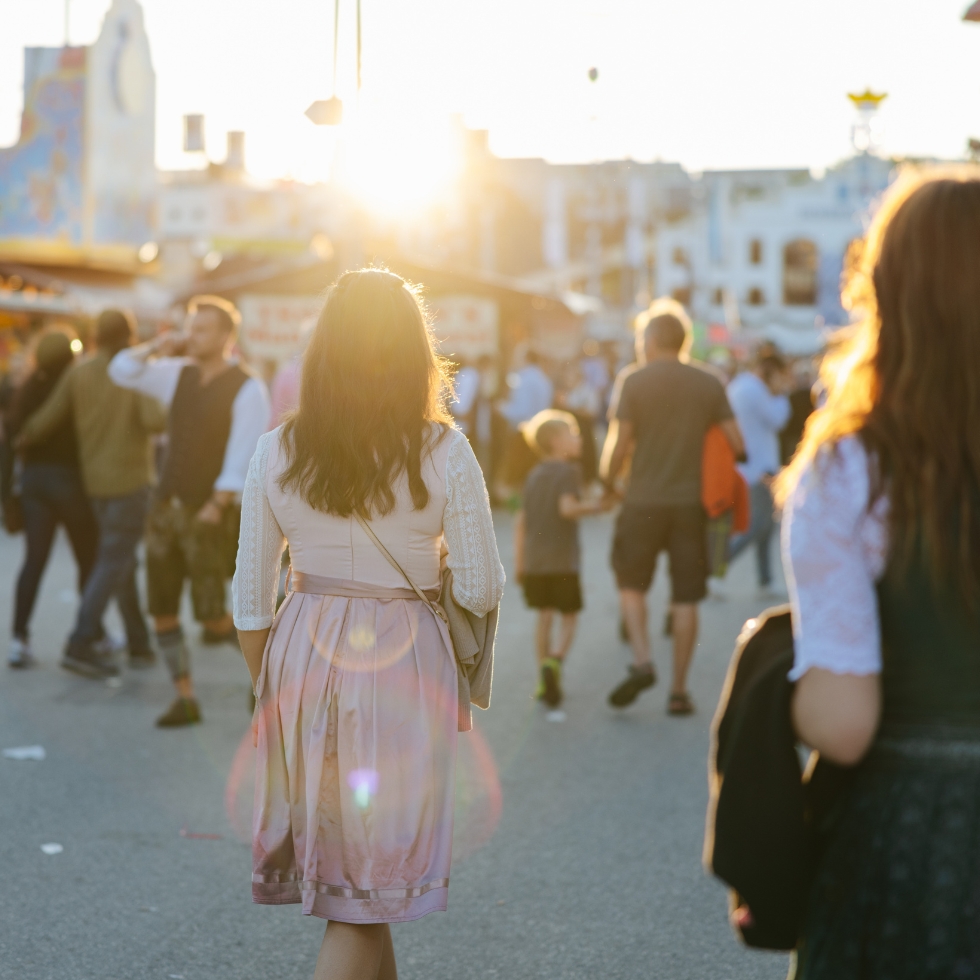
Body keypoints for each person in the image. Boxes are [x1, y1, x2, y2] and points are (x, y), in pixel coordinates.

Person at [232, 269, 505, 980]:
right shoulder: (444, 451)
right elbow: (481, 584)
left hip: (300, 651)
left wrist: (269, 685)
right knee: (365, 892)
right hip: (404, 659)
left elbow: (250, 596)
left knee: (360, 892)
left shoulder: (275, 452)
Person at [778, 170, 980, 978]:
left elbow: (844, 723)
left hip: (912, 838)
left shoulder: (850, 473)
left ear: (885, 293)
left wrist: (775, 688)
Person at [109, 295, 269, 727]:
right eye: (190, 327)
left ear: (224, 336)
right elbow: (121, 369)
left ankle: (266, 679)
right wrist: (158, 345)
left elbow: (245, 451)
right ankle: (185, 697)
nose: (191, 336)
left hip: (207, 510)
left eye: (200, 329)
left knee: (214, 614)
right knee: (161, 606)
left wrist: (218, 504)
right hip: (164, 507)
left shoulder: (248, 386)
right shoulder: (175, 373)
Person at [599, 298, 743, 714]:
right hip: (690, 505)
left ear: (652, 338)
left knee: (631, 585)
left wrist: (609, 483)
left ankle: (642, 661)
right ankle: (679, 692)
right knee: (686, 598)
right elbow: (737, 443)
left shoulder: (634, 380)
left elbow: (619, 444)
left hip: (642, 500)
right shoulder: (709, 382)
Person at [17, 310, 167, 677]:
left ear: (97, 336)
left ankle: (138, 642)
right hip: (130, 482)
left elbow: (48, 417)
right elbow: (155, 421)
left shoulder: (79, 372)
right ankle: (80, 641)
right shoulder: (134, 373)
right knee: (115, 561)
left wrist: (25, 435)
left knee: (121, 561)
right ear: (129, 336)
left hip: (93, 485)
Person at [6, 330, 99, 670]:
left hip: (34, 482)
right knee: (87, 558)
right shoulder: (75, 386)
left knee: (34, 561)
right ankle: (89, 634)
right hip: (69, 480)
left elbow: (14, 438)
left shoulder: (27, 388)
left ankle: (19, 639)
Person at [514, 410, 610, 710]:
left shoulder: (533, 475)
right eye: (573, 433)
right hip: (563, 561)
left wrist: (520, 561)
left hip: (536, 561)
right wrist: (597, 507)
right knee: (569, 617)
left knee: (544, 616)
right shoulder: (568, 472)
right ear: (557, 442)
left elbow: (522, 521)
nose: (579, 439)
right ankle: (555, 662)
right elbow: (567, 508)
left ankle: (543, 671)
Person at [725, 353, 791, 596]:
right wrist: (782, 394)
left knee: (766, 527)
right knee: (757, 526)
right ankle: (717, 569)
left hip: (751, 465)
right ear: (769, 372)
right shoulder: (755, 391)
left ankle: (765, 580)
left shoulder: (741, 386)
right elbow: (779, 419)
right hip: (760, 468)